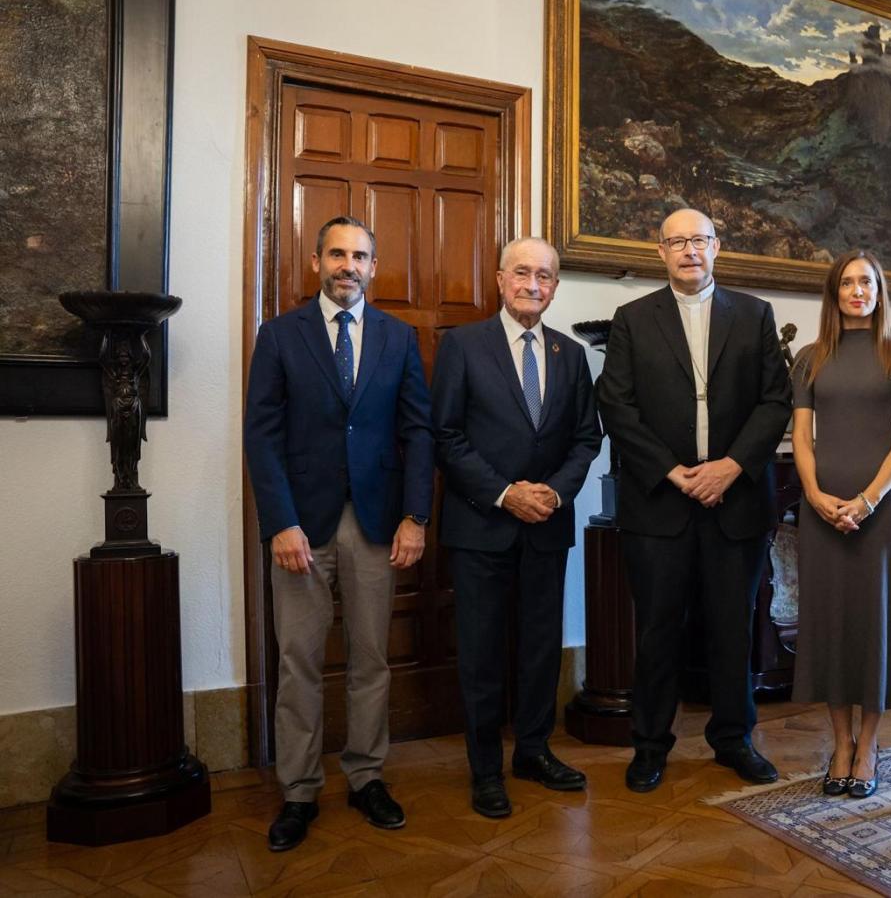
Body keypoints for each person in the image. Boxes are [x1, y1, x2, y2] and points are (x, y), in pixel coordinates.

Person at [244, 215, 433, 850]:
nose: (348, 265)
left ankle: (365, 776)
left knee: (370, 658)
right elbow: (262, 437)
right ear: (316, 262)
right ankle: (298, 791)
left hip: (376, 523)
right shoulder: (278, 336)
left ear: (373, 267)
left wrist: (415, 515)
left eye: (360, 256)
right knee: (298, 661)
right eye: (337, 254)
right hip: (301, 525)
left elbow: (417, 432)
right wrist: (281, 523)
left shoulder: (398, 338)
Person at [596, 208, 792, 793]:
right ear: (660, 252)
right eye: (676, 241)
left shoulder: (754, 315)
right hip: (660, 504)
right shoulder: (632, 319)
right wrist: (674, 473)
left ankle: (734, 739)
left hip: (735, 502)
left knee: (734, 629)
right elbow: (618, 406)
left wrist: (731, 467)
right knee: (658, 631)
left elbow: (774, 401)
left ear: (716, 247)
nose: (689, 250)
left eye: (699, 240)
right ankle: (651, 745)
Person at [431, 237, 602, 819]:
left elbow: (586, 437)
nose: (534, 284)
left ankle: (533, 750)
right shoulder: (462, 346)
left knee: (538, 649)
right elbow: (446, 435)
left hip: (548, 525)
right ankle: (485, 770)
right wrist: (506, 493)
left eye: (546, 276)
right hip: (481, 525)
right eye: (523, 273)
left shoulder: (571, 355)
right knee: (481, 654)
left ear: (555, 286)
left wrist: (554, 491)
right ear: (501, 279)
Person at [790, 250, 891, 800]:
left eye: (866, 281)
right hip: (822, 514)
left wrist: (867, 500)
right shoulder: (809, 357)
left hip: (882, 512)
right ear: (834, 292)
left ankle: (867, 746)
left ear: (878, 289)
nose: (857, 290)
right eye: (847, 282)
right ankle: (838, 742)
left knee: (875, 627)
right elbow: (801, 436)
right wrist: (816, 495)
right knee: (831, 628)